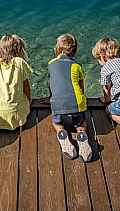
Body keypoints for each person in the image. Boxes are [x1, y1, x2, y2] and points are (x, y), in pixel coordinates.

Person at [40, 34, 92, 162]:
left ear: (56, 50)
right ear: (74, 52)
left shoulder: (51, 64)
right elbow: (81, 87)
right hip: (77, 103)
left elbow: (54, 84)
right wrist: (82, 99)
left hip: (57, 104)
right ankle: (81, 134)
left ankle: (61, 134)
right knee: (81, 122)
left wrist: (50, 99)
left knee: (57, 122)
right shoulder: (77, 66)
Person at [0, 34, 32, 130]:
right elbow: (26, 87)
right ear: (19, 49)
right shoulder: (20, 62)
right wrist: (29, 100)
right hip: (15, 117)